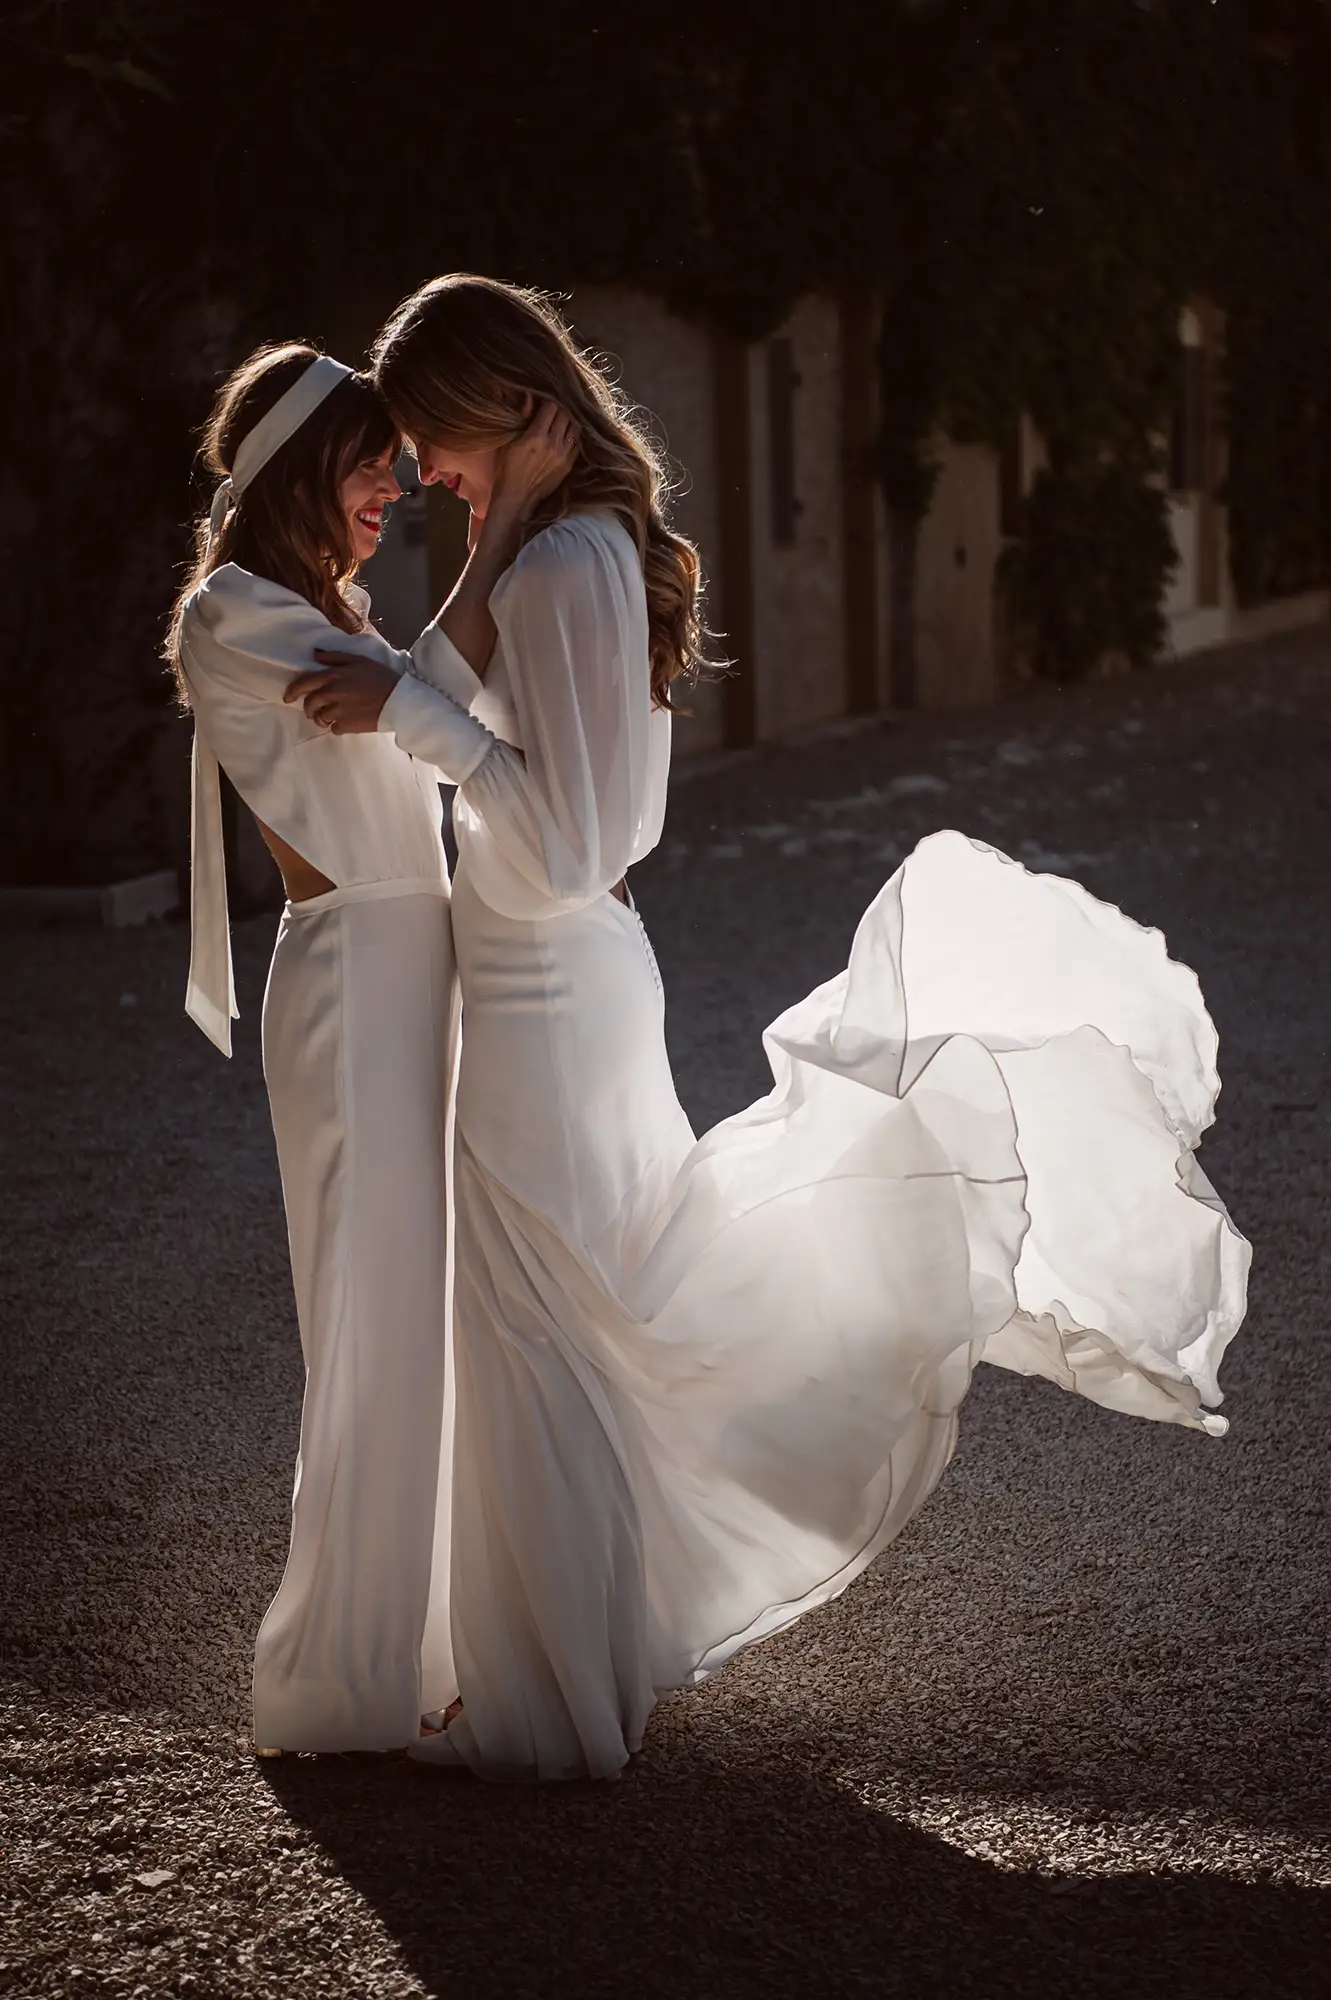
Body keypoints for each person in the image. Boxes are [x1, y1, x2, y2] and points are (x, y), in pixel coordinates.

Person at [294, 275, 1251, 1783]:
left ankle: (544, 1684)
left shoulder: (570, 568)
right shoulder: (554, 555)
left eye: (431, 440)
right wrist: (479, 558)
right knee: (556, 1309)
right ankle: (538, 1659)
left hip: (546, 977)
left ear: (506, 403)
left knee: (547, 1315)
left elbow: (568, 838)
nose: (417, 472)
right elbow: (459, 699)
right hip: (564, 977)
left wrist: (423, 714)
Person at [166, 341, 573, 1752]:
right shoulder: (233, 612)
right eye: (368, 463)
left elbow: (421, 702)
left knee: (433, 1317)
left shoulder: (307, 611)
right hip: (353, 991)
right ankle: (343, 1675)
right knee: (370, 1324)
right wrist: (501, 537)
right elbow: (428, 701)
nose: (394, 489)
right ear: (296, 468)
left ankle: (425, 1651)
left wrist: (494, 541)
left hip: (418, 976)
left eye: (400, 466)